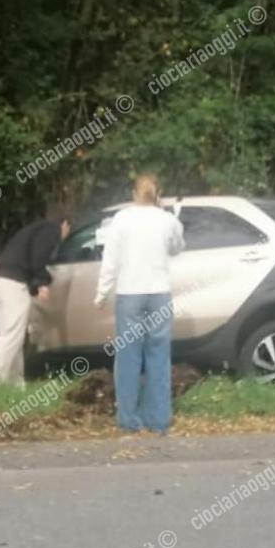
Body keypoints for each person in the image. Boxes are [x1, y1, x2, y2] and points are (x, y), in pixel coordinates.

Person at [94, 175, 184, 434]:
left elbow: (111, 260)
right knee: (158, 358)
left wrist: (101, 294)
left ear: (134, 193)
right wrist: (169, 216)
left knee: (128, 358)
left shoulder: (122, 219)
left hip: (130, 294)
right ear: (159, 193)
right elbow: (177, 248)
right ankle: (158, 420)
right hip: (159, 294)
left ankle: (129, 420)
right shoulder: (167, 220)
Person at [0, 215, 71, 388]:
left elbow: (29, 258)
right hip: (14, 284)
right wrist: (42, 283)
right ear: (65, 224)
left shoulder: (35, 229)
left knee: (12, 334)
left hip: (1, 281)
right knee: (12, 335)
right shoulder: (51, 230)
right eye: (68, 231)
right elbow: (38, 257)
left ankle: (15, 382)